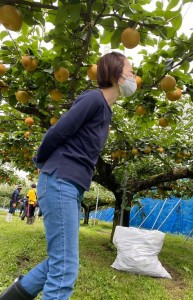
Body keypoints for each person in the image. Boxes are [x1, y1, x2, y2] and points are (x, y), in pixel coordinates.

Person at [0, 51, 137, 300]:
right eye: (131, 70)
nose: (134, 76)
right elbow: (59, 130)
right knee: (65, 269)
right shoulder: (94, 99)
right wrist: (40, 160)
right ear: (117, 75)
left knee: (59, 262)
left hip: (70, 186)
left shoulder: (106, 111)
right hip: (60, 181)